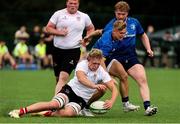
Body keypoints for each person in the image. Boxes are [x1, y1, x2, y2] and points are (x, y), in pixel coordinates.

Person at [8, 49, 118, 118]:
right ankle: (21, 111)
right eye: (94, 63)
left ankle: (46, 113)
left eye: (98, 64)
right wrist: (94, 86)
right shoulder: (82, 65)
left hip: (82, 99)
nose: (96, 66)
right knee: (54, 104)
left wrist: (112, 101)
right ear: (88, 60)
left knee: (69, 114)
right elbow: (81, 78)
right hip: (69, 91)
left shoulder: (101, 71)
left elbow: (113, 88)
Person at [101, 1, 157, 116]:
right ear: (115, 13)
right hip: (114, 57)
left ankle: (147, 107)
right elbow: (103, 37)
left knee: (142, 78)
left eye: (123, 14)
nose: (120, 16)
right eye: (118, 14)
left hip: (131, 57)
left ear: (127, 13)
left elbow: (143, 35)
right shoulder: (110, 25)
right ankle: (125, 104)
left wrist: (148, 49)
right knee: (120, 78)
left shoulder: (134, 23)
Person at [84, 20, 140, 113]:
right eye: (121, 33)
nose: (124, 35)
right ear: (115, 31)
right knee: (102, 88)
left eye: (125, 33)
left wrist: (88, 36)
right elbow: (101, 60)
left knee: (124, 76)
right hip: (95, 61)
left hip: (107, 58)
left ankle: (126, 104)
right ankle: (84, 106)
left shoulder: (110, 30)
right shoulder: (107, 44)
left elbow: (99, 31)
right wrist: (108, 77)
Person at [45, 0, 95, 94]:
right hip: (57, 50)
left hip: (73, 50)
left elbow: (91, 28)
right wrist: (59, 32)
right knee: (58, 78)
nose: (73, 5)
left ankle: (55, 104)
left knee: (63, 77)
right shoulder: (58, 14)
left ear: (78, 4)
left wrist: (87, 38)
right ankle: (61, 98)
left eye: (75, 3)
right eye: (71, 3)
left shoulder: (84, 16)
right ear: (66, 3)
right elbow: (48, 28)